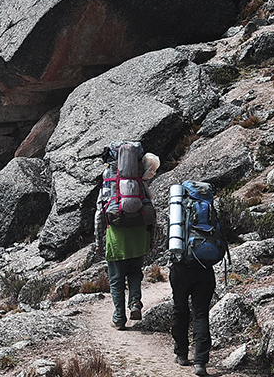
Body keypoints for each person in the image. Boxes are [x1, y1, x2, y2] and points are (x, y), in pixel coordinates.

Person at [94, 151, 159, 329]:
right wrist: (150, 238)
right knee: (135, 273)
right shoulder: (140, 183)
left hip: (116, 237)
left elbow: (100, 214)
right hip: (139, 236)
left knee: (116, 279)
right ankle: (136, 303)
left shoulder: (109, 184)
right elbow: (151, 212)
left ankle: (119, 318)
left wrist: (99, 242)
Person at [169, 181, 221, 376]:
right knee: (201, 313)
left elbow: (172, 239)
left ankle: (181, 353)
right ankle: (201, 362)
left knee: (180, 309)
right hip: (205, 267)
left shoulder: (178, 209)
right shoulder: (208, 209)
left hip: (181, 267)